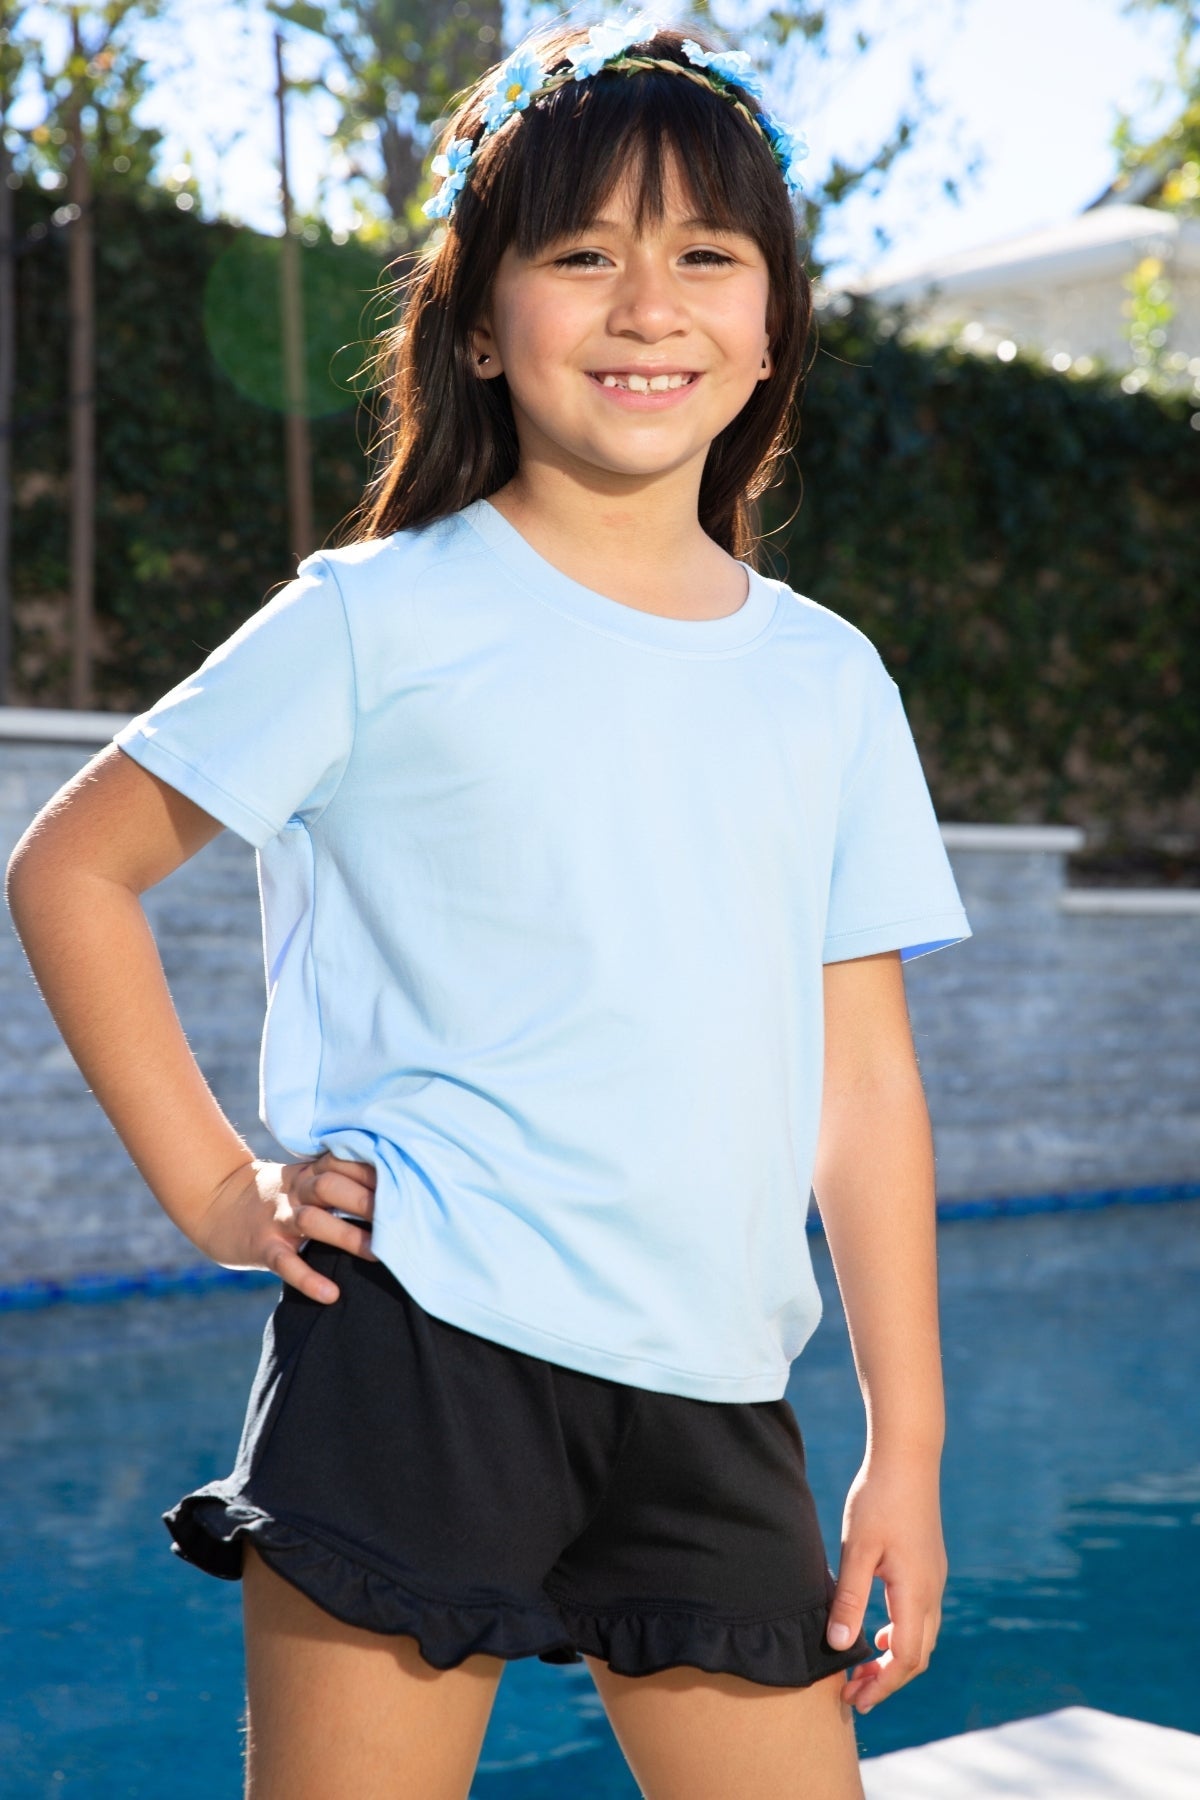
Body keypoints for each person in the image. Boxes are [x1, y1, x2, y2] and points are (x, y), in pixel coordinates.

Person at [5, 15, 973, 1799]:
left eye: (707, 256)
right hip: (418, 1359)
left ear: (774, 322)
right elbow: (71, 867)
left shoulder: (831, 681)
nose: (647, 304)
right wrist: (220, 1190)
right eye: (581, 255)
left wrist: (901, 1443)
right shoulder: (376, 617)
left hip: (713, 1389)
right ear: (475, 320)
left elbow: (867, 1085)